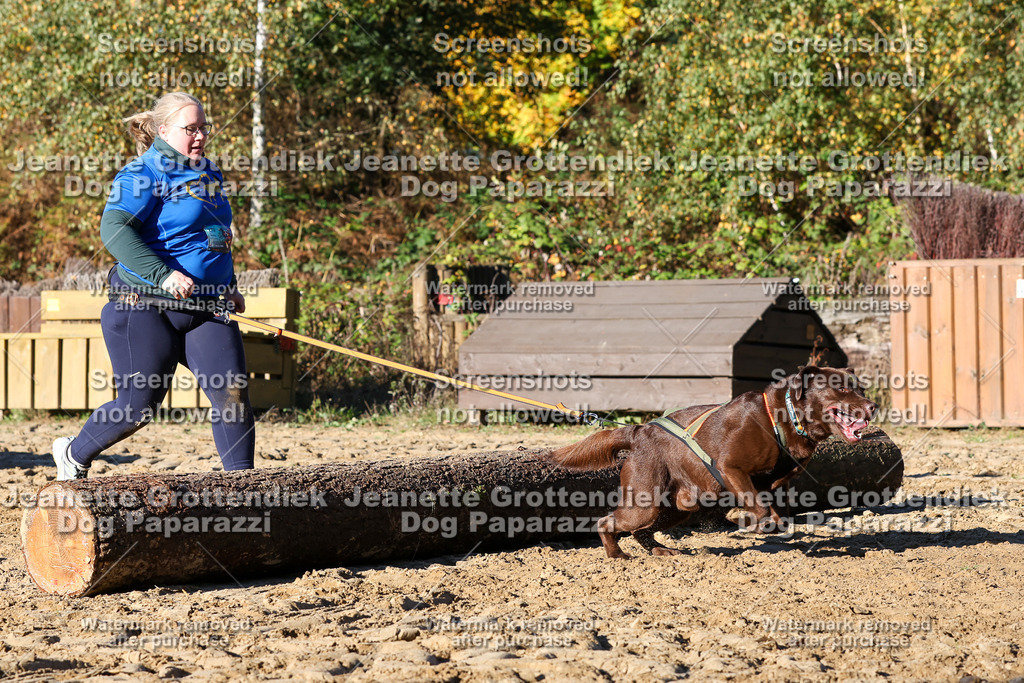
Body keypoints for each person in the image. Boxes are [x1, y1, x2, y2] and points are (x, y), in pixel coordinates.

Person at [52, 92, 255, 479]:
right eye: (190, 129)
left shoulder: (210, 173)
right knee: (139, 408)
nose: (200, 136)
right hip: (143, 305)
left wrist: (227, 283)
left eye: (204, 128)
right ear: (163, 131)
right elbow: (114, 230)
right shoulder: (144, 173)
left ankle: (244, 489)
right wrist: (163, 275)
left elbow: (213, 233)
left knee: (233, 395)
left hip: (204, 305)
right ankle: (73, 454)